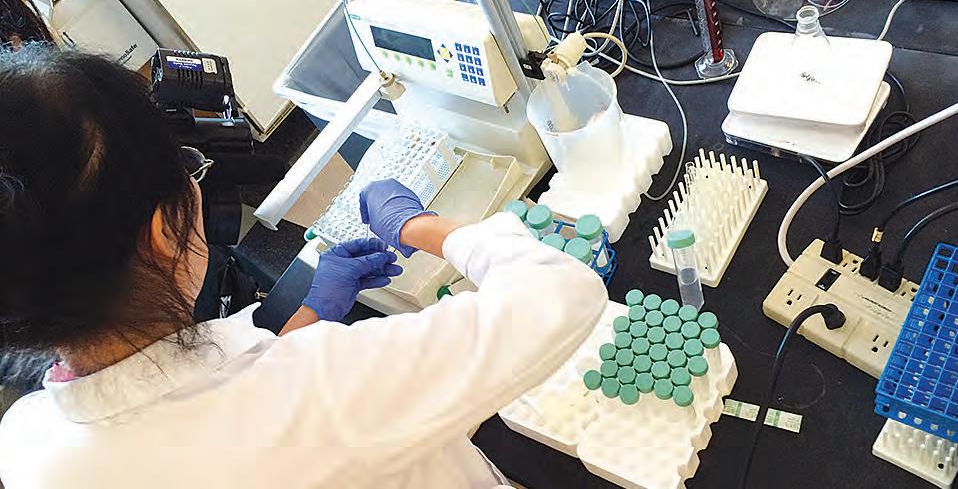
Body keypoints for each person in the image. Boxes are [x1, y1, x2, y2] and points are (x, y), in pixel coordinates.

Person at [0, 46, 609, 488]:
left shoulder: (28, 445)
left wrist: (313, 313)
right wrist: (416, 225)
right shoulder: (326, 390)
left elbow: (227, 410)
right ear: (162, 232)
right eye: (185, 166)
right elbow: (560, 293)